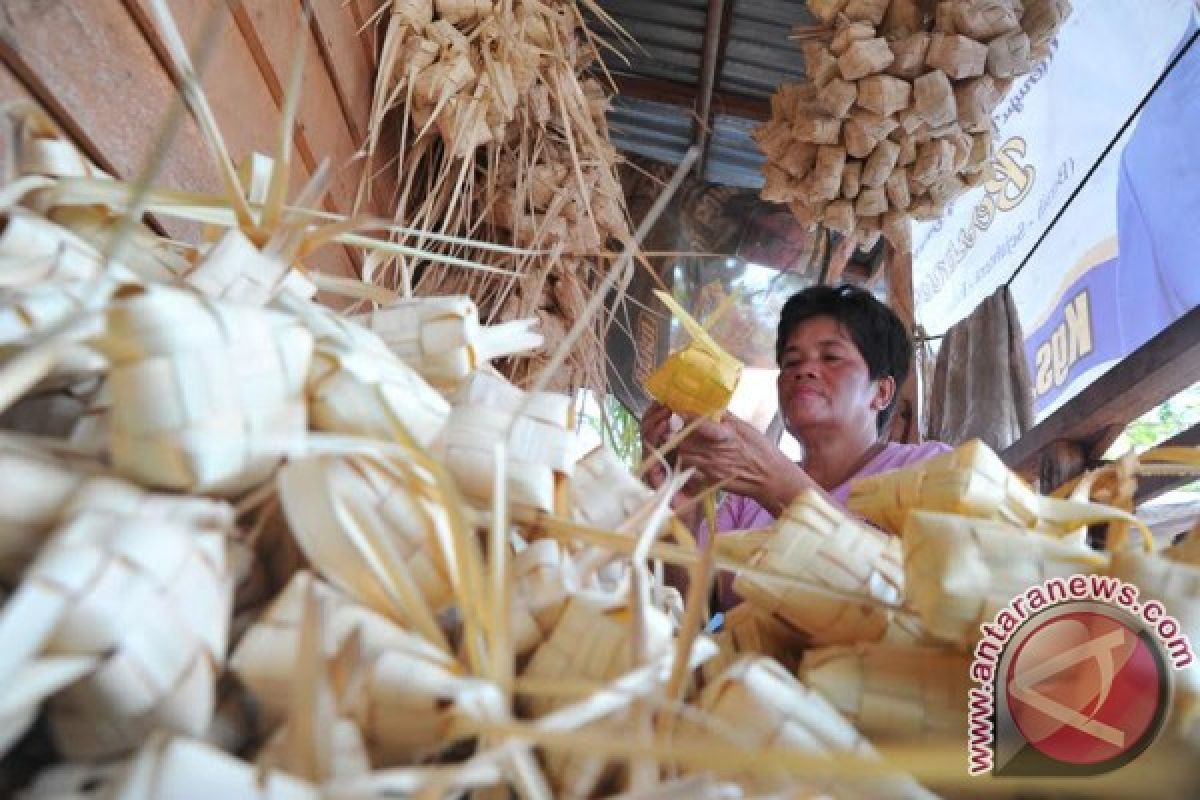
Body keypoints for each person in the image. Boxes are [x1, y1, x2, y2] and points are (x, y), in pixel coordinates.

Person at [640, 284, 951, 610]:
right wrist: (682, 513)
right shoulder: (743, 504)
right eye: (790, 362)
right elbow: (692, 613)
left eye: (831, 356)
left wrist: (777, 484)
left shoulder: (927, 469)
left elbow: (926, 599)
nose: (804, 370)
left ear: (882, 392)